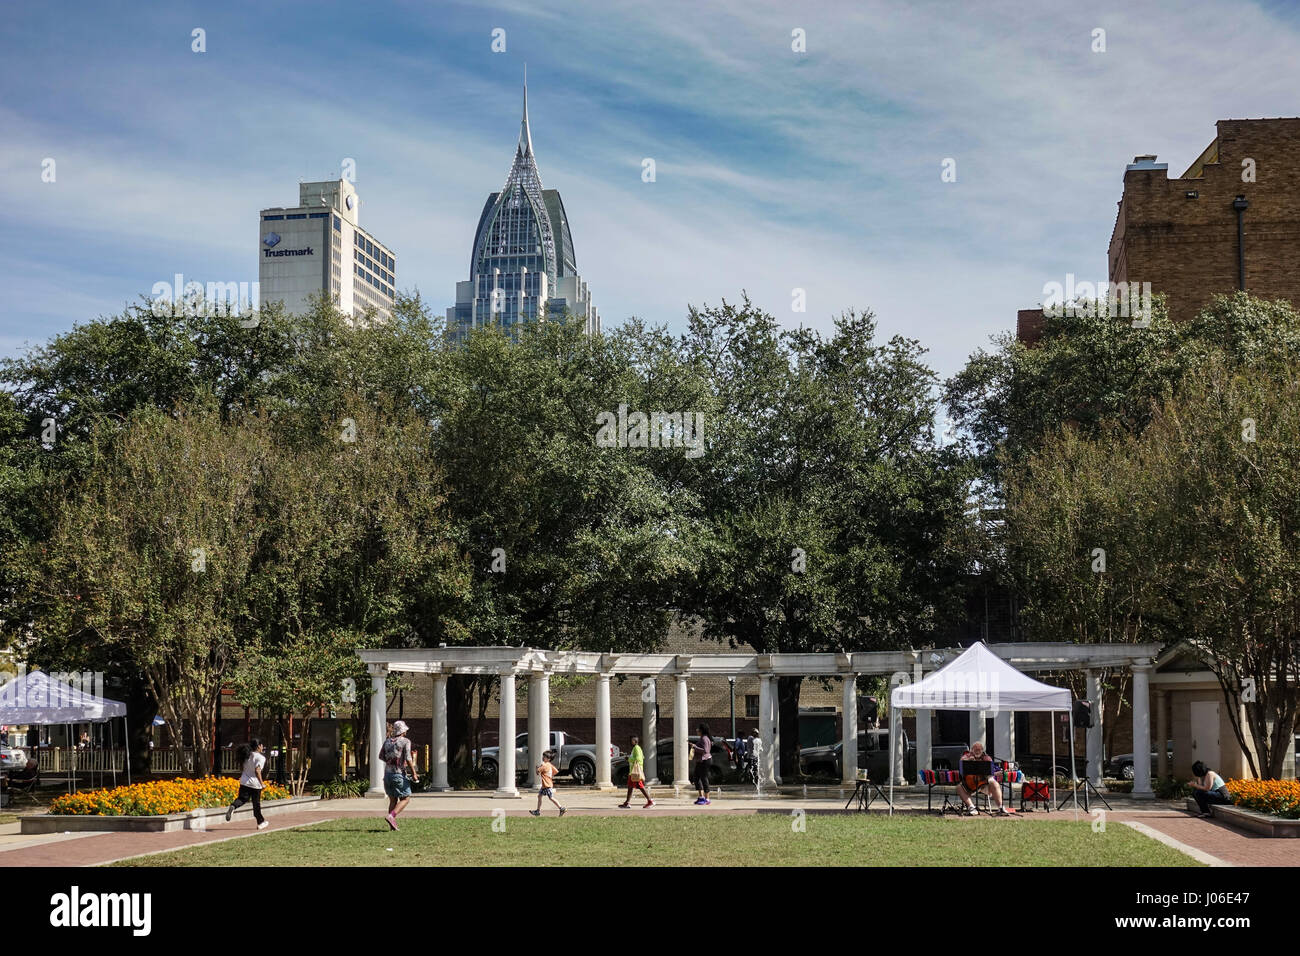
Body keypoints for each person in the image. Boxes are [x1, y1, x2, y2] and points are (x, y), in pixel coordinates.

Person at [381, 719, 419, 831]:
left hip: (387, 775)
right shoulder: (405, 741)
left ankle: (392, 826)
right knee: (406, 798)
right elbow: (408, 758)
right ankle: (391, 816)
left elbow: (382, 756)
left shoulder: (387, 742)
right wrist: (414, 774)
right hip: (398, 774)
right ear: (403, 731)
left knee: (393, 800)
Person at [225, 738, 269, 830]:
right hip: (255, 784)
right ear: (258, 746)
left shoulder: (246, 755)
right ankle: (260, 822)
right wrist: (262, 783)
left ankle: (233, 806)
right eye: (261, 745)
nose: (262, 747)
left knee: (241, 799)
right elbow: (257, 770)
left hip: (244, 782)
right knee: (256, 804)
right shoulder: (261, 758)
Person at [957, 741, 1008, 816]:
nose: (977, 751)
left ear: (982, 750)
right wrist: (968, 760)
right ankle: (972, 808)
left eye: (979, 749)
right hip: (970, 784)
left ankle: (1000, 807)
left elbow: (991, 773)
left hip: (984, 784)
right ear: (972, 750)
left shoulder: (987, 758)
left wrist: (996, 773)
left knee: (994, 783)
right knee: (958, 787)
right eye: (975, 749)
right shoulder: (967, 756)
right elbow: (961, 763)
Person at [617, 735, 654, 809]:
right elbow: (641, 757)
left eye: (631, 740)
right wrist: (629, 757)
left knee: (640, 786)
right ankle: (627, 803)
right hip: (633, 772)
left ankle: (650, 801)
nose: (630, 742)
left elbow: (639, 758)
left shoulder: (637, 748)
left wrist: (629, 759)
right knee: (630, 787)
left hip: (635, 772)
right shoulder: (636, 748)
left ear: (634, 741)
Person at [530, 749, 567, 816]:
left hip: (547, 785)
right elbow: (556, 771)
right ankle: (537, 811)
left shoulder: (544, 765)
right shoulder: (550, 765)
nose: (543, 758)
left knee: (551, 798)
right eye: (543, 756)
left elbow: (537, 772)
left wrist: (537, 768)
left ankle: (561, 808)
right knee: (539, 796)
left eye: (544, 757)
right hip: (545, 785)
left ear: (548, 759)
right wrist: (549, 775)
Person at [689, 723, 713, 805]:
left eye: (698, 729)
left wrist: (695, 747)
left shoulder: (704, 739)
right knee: (696, 777)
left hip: (705, 761)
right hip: (700, 761)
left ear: (701, 731)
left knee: (703, 778)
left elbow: (705, 750)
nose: (696, 730)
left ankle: (707, 798)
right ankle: (701, 797)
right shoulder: (703, 738)